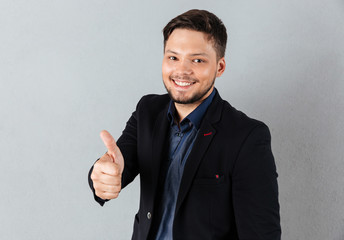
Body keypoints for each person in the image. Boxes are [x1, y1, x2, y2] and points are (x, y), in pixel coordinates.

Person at [88, 9, 281, 240]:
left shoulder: (247, 137)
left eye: (197, 60)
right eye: (173, 57)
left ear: (219, 67)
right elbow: (116, 168)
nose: (181, 70)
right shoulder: (147, 111)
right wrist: (102, 175)